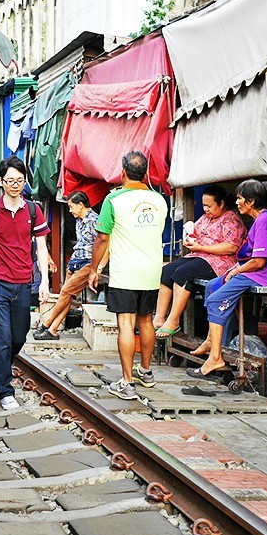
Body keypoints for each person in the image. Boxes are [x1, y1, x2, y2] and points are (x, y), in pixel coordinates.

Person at [0, 157, 50, 410]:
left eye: (19, 180)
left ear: (24, 181)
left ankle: (2, 362)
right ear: (2, 182)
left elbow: (41, 247)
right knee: (2, 337)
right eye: (10, 180)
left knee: (18, 337)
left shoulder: (34, 211)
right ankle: (5, 389)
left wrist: (45, 281)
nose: (15, 185)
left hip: (24, 282)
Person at [88, 151, 167, 400]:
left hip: (126, 271)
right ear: (145, 174)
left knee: (126, 323)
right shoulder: (160, 200)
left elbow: (102, 238)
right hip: (153, 269)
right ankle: (146, 371)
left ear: (122, 173)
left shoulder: (113, 201)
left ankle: (127, 383)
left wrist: (94, 269)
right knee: (146, 320)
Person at [189, 179, 267, 377]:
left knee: (215, 300)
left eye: (239, 199)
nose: (237, 203)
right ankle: (210, 341)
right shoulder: (261, 220)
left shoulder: (265, 221)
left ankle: (215, 358)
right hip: (253, 272)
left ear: (251, 201)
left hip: (262, 276)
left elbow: (258, 261)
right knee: (212, 286)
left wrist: (235, 271)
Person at [154, 185, 246, 338]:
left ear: (221, 204)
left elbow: (231, 247)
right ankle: (159, 318)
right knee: (167, 271)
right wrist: (190, 241)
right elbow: (194, 233)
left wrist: (201, 247)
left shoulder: (231, 219)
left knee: (183, 273)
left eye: (209, 206)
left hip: (220, 261)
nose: (206, 209)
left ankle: (173, 320)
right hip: (199, 256)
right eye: (203, 205)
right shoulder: (205, 218)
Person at [33, 191, 99, 341]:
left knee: (65, 292)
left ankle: (47, 323)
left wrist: (98, 267)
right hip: (76, 261)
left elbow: (103, 244)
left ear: (81, 205)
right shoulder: (78, 221)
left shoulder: (95, 220)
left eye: (71, 206)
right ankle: (53, 330)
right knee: (67, 296)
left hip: (88, 263)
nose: (69, 210)